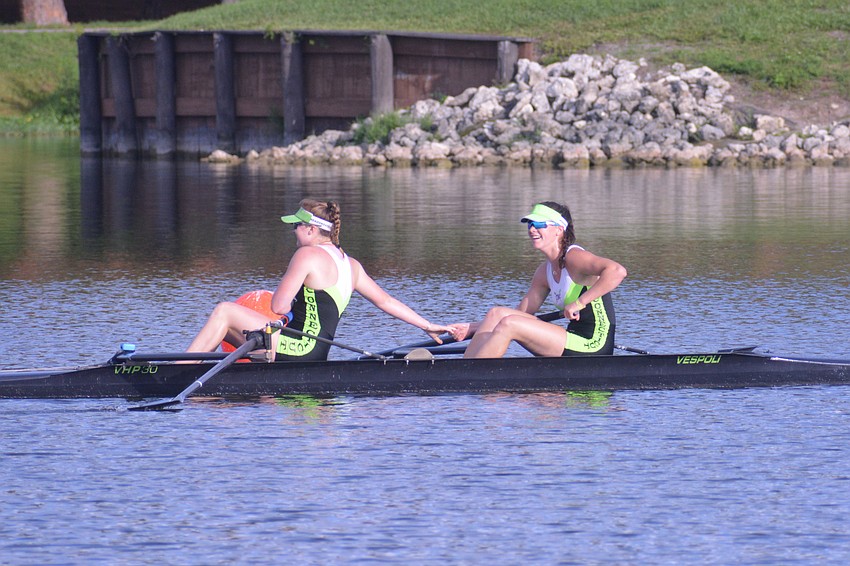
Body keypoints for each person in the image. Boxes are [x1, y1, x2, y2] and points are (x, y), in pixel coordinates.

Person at [186, 199, 458, 360]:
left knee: (224, 311)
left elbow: (279, 306)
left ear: (311, 230)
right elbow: (385, 301)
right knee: (239, 328)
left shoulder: (307, 256)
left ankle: (176, 372)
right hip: (317, 352)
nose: (293, 231)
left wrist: (288, 305)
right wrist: (427, 325)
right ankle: (204, 367)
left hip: (300, 347)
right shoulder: (351, 265)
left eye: (296, 226)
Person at [456, 201, 627, 359]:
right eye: (530, 224)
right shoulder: (543, 272)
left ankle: (476, 376)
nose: (532, 229)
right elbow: (522, 314)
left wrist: (579, 303)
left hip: (593, 343)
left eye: (539, 224)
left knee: (510, 324)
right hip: (571, 337)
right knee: (497, 313)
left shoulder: (574, 257)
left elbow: (617, 271)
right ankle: (463, 371)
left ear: (559, 230)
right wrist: (472, 328)